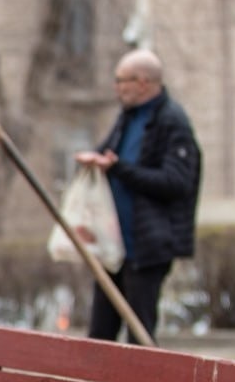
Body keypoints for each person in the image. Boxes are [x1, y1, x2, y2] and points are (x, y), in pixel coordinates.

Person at [75, 48, 201, 344]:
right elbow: (108, 154)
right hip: (113, 248)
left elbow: (177, 181)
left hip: (146, 248)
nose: (117, 88)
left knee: (140, 337)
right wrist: (94, 161)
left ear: (143, 82)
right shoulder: (127, 118)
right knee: (100, 335)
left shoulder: (172, 121)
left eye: (122, 81)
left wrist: (120, 169)